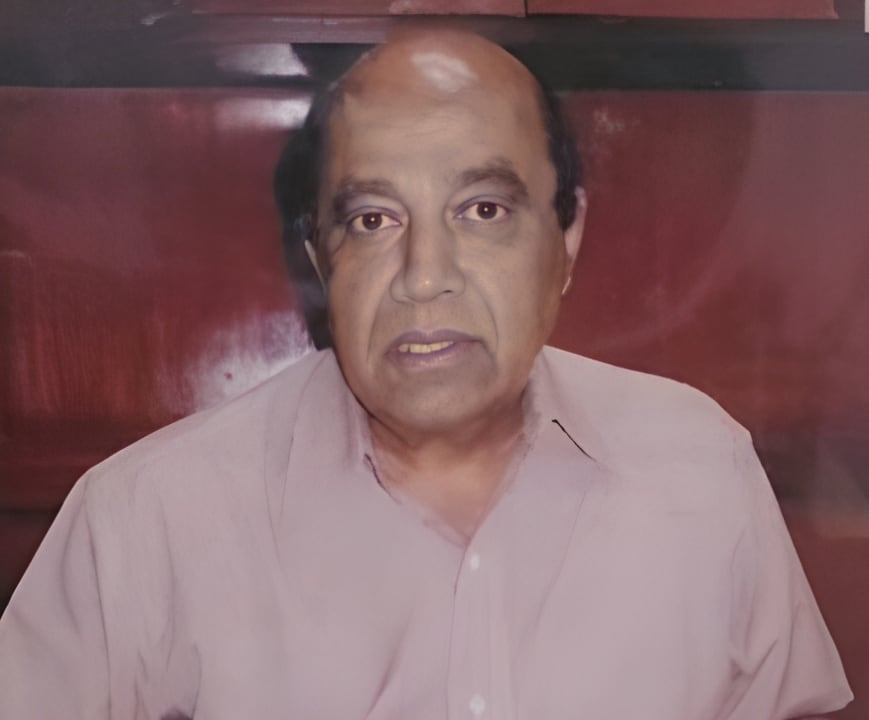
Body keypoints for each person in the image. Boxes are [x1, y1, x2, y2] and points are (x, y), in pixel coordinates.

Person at [0, 29, 852, 719]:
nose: (423, 275)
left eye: (482, 210)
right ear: (321, 260)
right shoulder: (142, 522)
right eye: (373, 220)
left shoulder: (701, 466)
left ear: (565, 240)